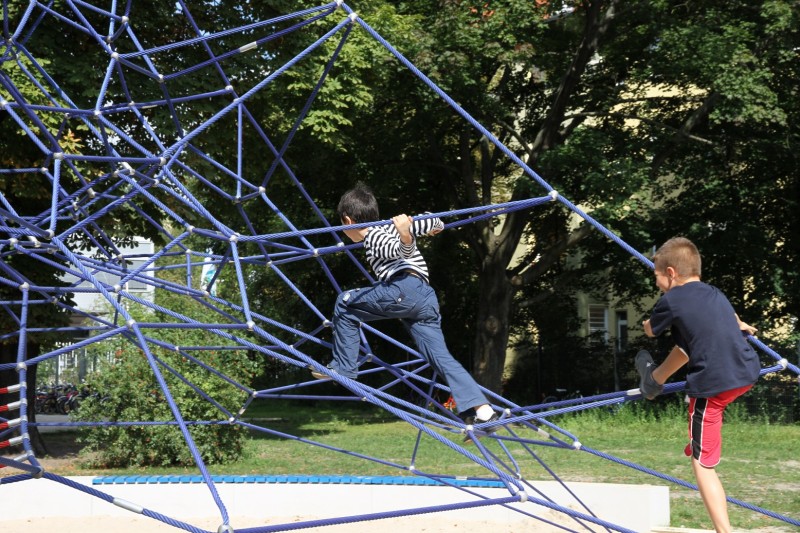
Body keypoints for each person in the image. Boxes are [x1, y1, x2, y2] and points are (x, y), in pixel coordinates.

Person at [312, 182, 498, 441]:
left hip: (404, 287)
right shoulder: (390, 225)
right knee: (440, 358)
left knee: (345, 302)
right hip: (425, 300)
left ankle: (343, 367)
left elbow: (394, 249)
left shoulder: (372, 235)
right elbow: (429, 220)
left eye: (344, 227)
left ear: (347, 221)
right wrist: (436, 225)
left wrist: (406, 238)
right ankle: (485, 413)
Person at [636, 236, 760, 533]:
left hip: (712, 387)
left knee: (703, 464)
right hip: (746, 371)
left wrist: (646, 325)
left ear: (670, 273)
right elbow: (729, 318)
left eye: (657, 278)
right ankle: (654, 380)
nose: (657, 285)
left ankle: (724, 531)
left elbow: (651, 331)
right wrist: (739, 325)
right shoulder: (714, 293)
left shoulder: (672, 299)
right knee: (688, 342)